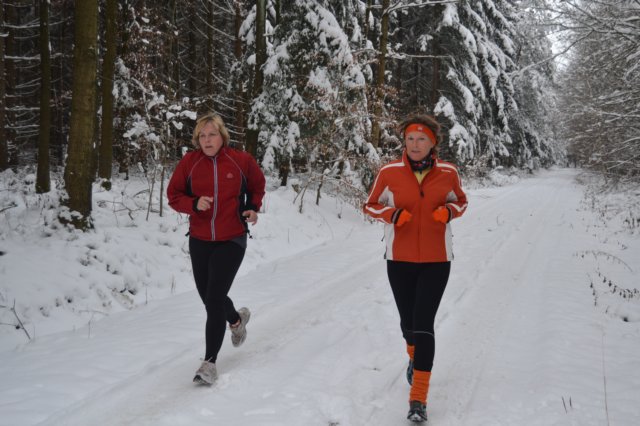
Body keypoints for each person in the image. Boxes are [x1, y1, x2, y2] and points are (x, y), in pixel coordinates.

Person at [363, 114, 468, 422]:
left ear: (433, 143)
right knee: (408, 324)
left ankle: (418, 398)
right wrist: (392, 215)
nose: (415, 144)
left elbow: (461, 202)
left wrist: (449, 212)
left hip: (437, 260)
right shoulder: (389, 172)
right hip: (399, 260)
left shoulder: (448, 172)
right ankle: (413, 353)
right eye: (410, 139)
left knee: (423, 324)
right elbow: (370, 204)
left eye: (422, 139)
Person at [167, 113, 266, 385]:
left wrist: (252, 208)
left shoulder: (240, 160)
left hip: (232, 238)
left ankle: (209, 363)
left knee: (213, 299)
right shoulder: (190, 163)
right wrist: (193, 204)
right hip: (200, 238)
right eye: (202, 135)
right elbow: (173, 195)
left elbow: (257, 185)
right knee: (209, 296)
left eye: (212, 134)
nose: (207, 140)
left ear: (222, 136)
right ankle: (236, 320)